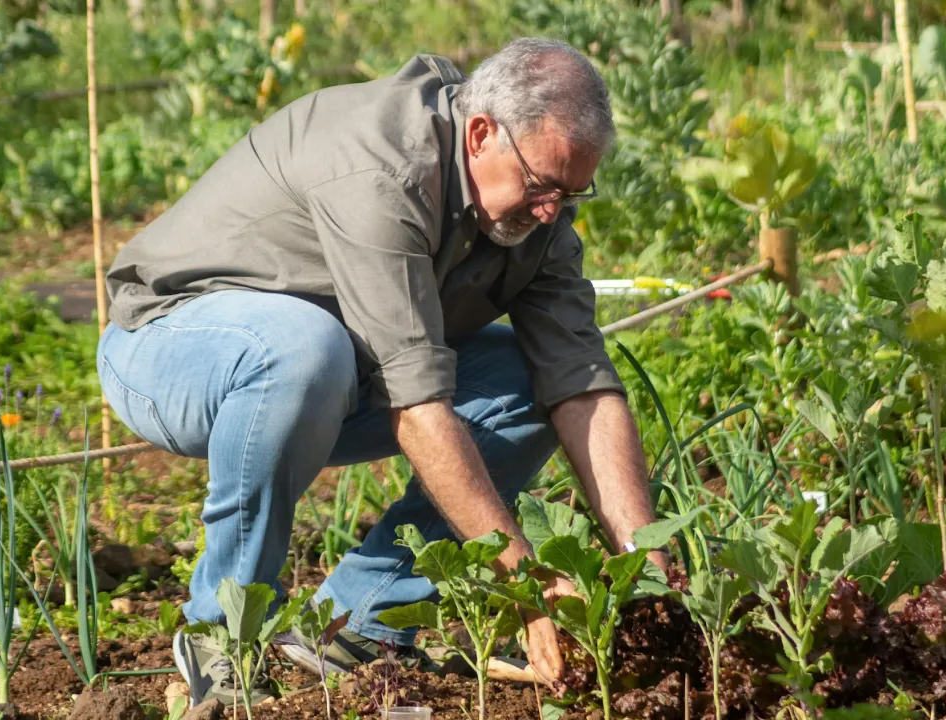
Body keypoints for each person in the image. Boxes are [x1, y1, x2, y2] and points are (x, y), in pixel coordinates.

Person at [97, 37, 665, 709]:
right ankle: (226, 629)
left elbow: (581, 384)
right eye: (543, 186)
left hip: (329, 373)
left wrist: (645, 564)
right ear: (480, 133)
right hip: (170, 346)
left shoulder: (536, 220)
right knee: (305, 349)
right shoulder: (383, 168)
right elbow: (419, 410)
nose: (551, 211)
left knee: (525, 382)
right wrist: (528, 583)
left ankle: (354, 623)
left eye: (572, 193)